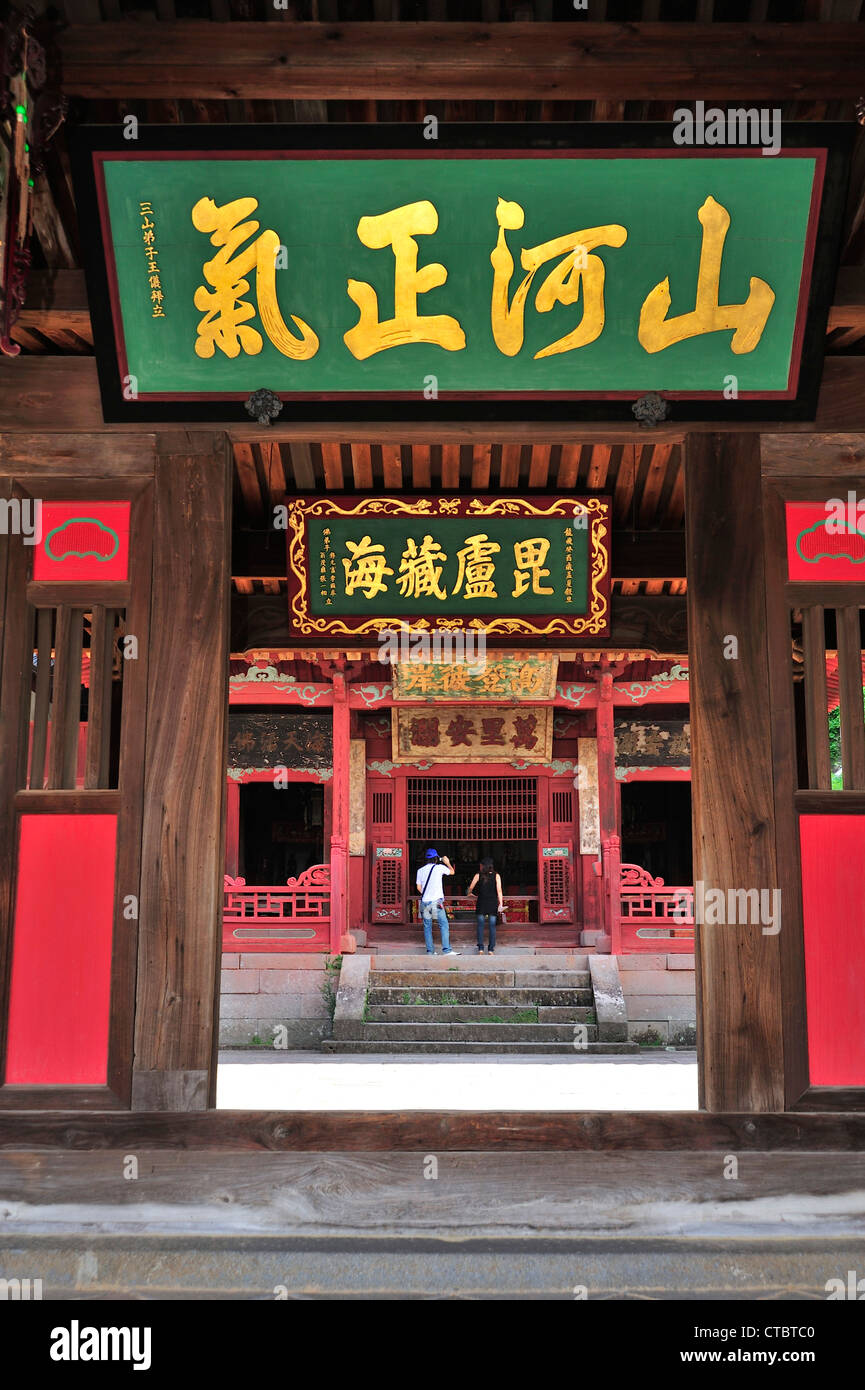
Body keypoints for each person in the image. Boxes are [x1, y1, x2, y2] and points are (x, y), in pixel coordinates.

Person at [416, 848, 460, 956]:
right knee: (443, 925)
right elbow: (452, 872)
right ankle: (446, 950)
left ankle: (430, 951)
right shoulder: (439, 868)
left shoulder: (420, 871)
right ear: (436, 858)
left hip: (425, 902)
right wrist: (447, 862)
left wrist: (427, 894)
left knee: (427, 927)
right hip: (436, 903)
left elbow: (418, 887)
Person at [467, 856, 503, 955]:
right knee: (492, 926)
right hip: (493, 904)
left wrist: (469, 893)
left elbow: (470, 887)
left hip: (481, 903)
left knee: (480, 926)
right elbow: (499, 891)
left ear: (482, 866)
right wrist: (501, 903)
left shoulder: (478, 875)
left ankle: (481, 949)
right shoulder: (496, 875)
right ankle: (491, 949)